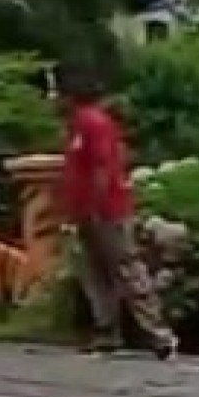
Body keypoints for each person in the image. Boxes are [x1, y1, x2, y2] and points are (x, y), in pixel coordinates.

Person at [57, 70, 178, 359]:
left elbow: (101, 168)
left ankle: (158, 334)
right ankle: (106, 331)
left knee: (125, 268)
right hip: (88, 211)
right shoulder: (79, 124)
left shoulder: (92, 123)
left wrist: (97, 206)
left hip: (105, 210)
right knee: (97, 273)